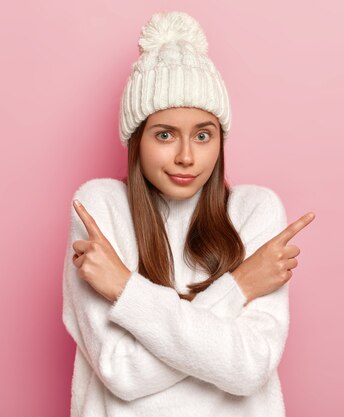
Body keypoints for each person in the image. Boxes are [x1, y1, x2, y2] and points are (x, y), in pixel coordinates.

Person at [61, 10, 314, 417]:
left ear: (220, 139)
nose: (185, 156)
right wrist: (240, 288)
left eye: (202, 135)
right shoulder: (99, 206)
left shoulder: (255, 210)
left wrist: (125, 290)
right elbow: (121, 370)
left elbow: (250, 367)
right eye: (164, 134)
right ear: (136, 140)